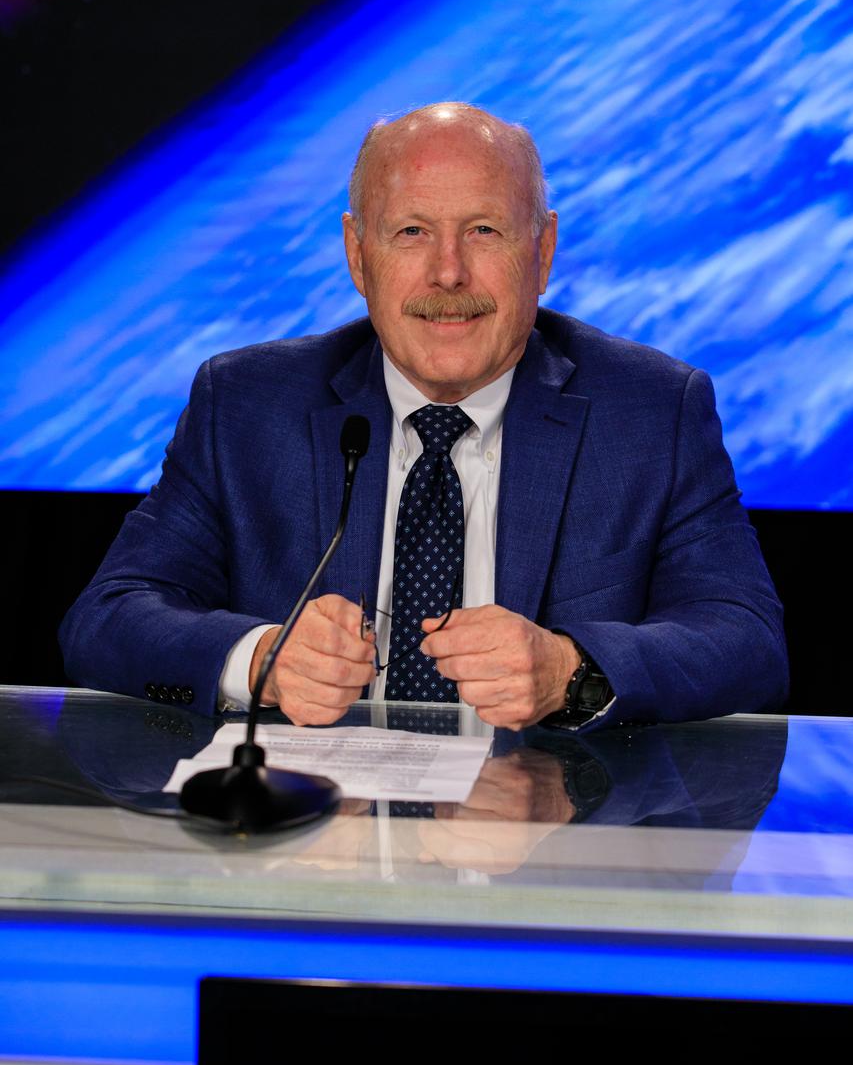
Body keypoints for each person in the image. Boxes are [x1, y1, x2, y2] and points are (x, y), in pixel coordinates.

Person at [60, 102, 788, 731]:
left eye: (483, 231)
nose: (447, 273)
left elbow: (746, 640)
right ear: (357, 255)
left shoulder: (652, 411)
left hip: (549, 830)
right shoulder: (247, 405)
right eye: (411, 232)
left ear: (542, 253)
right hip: (315, 835)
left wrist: (570, 670)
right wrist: (261, 661)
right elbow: (107, 618)